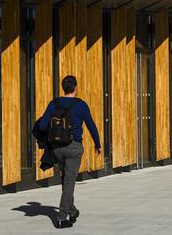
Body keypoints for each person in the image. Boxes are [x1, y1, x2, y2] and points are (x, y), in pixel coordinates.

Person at [36, 75, 101, 229]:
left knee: (66, 180)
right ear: (75, 88)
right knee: (70, 182)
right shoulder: (81, 105)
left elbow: (43, 126)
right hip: (73, 148)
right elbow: (91, 125)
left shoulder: (53, 104)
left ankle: (72, 211)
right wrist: (98, 144)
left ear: (63, 88)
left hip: (57, 149)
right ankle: (61, 217)